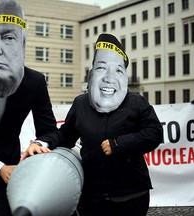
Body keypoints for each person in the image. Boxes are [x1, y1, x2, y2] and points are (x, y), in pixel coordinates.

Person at [22, 33, 163, 216]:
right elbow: (65, 135)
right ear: (92, 73)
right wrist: (41, 143)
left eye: (118, 70)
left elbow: (154, 133)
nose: (109, 78)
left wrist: (118, 144)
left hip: (131, 197)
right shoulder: (81, 103)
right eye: (101, 68)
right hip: (94, 199)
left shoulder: (136, 103)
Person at [0, 1, 58, 215]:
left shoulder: (34, 82)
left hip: (10, 169)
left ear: (23, 45)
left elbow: (50, 131)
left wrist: (38, 144)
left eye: (8, 38)